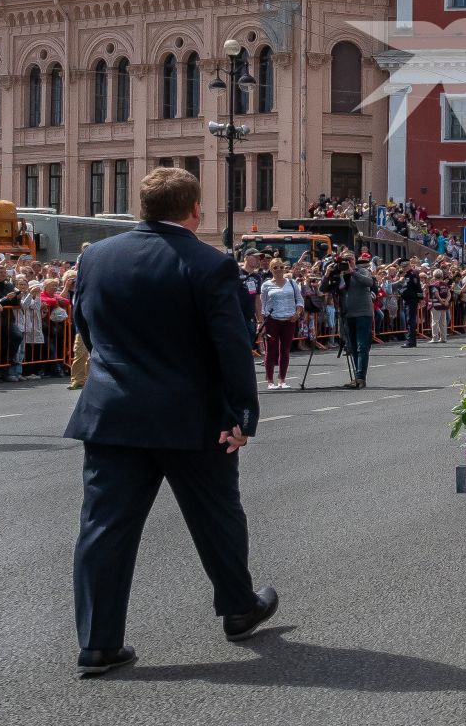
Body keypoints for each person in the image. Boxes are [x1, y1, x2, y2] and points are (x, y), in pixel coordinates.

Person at [64, 168, 276, 680]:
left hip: (113, 412)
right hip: (192, 415)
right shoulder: (209, 264)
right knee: (217, 516)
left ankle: (98, 643)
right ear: (195, 210)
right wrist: (242, 413)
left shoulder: (96, 257)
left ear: (142, 205)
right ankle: (237, 607)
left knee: (103, 528)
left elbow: (84, 324)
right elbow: (231, 346)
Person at [257, 259, 302, 391]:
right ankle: (270, 381)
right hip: (272, 320)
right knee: (271, 350)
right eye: (275, 267)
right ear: (271, 269)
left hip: (289, 320)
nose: (279, 269)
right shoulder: (266, 285)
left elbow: (299, 300)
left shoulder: (292, 283)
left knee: (285, 350)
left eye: (281, 267)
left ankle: (282, 379)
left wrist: (297, 313)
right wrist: (262, 323)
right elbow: (262, 305)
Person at [338, 253, 377, 390]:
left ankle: (360, 377)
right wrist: (328, 274)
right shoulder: (339, 274)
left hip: (363, 313)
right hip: (347, 314)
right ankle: (357, 376)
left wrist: (352, 272)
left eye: (350, 259)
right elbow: (323, 289)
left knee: (362, 346)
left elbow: (370, 282)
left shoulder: (362, 270)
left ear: (355, 261)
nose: (348, 262)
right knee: (352, 347)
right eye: (345, 260)